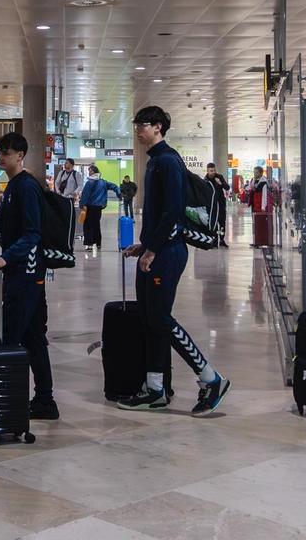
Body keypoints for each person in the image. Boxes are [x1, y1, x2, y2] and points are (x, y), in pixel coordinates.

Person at [119, 106, 230, 416]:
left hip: (168, 253)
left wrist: (154, 249)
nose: (138, 130)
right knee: (151, 319)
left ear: (158, 127)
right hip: (159, 248)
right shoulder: (157, 161)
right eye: (136, 124)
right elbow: (158, 214)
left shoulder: (167, 161)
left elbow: (173, 211)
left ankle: (210, 377)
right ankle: (154, 389)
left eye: (142, 125)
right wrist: (145, 244)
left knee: (160, 318)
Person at [0, 132, 58, 419]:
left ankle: (5, 401)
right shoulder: (13, 186)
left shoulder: (26, 187)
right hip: (21, 272)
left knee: (9, 337)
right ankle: (44, 400)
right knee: (33, 337)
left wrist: (6, 255)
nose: (2, 157)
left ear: (20, 156)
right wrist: (4, 243)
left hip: (26, 274)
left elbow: (33, 234)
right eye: (0, 151)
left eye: (8, 152)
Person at [79, 165, 121, 251]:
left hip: (90, 206)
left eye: (89, 170)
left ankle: (89, 244)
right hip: (99, 207)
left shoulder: (90, 182)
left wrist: (82, 204)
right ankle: (98, 243)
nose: (89, 172)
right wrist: (119, 193)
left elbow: (85, 195)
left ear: (94, 171)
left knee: (88, 225)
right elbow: (115, 186)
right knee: (96, 225)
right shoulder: (103, 182)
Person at [205, 163, 231, 247]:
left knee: (222, 222)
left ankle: (222, 239)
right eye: (211, 171)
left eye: (214, 170)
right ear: (208, 171)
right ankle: (215, 240)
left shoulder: (219, 177)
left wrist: (220, 183)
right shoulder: (205, 180)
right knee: (214, 222)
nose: (213, 172)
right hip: (212, 205)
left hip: (221, 203)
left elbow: (227, 187)